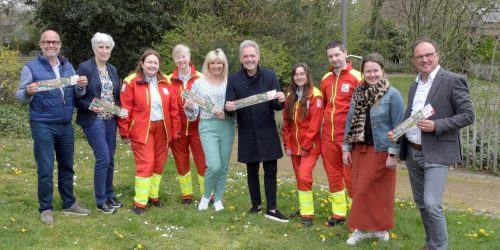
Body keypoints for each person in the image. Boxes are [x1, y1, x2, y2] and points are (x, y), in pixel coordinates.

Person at [389, 39, 474, 250]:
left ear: (437, 54)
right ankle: (430, 244)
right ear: (413, 60)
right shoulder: (415, 84)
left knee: (432, 204)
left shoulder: (453, 80)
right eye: (419, 56)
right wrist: (398, 132)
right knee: (422, 204)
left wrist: (437, 126)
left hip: (437, 152)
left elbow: (468, 115)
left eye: (429, 54)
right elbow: (412, 115)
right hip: (413, 152)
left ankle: (439, 248)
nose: (424, 59)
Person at [16, 30, 90, 223]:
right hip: (43, 124)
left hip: (65, 124)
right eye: (47, 42)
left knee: (67, 166)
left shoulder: (68, 67)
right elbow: (20, 96)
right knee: (46, 168)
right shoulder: (30, 68)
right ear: (41, 44)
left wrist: (81, 85)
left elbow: (77, 93)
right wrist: (28, 92)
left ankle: (69, 203)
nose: (51, 45)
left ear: (59, 44)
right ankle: (46, 208)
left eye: (54, 42)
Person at [342, 53, 404, 245]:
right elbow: (350, 120)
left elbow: (399, 125)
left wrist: (393, 153)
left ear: (382, 71)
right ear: (363, 73)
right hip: (359, 148)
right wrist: (346, 147)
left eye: (375, 70)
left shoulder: (392, 94)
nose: (372, 74)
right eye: (368, 71)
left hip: (381, 150)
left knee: (377, 190)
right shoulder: (359, 93)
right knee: (359, 189)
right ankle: (368, 228)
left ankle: (375, 228)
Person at [225, 40, 289, 222]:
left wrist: (281, 99)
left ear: (258, 56)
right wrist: (228, 107)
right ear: (241, 58)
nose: (249, 59)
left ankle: (273, 208)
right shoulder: (233, 79)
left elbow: (277, 106)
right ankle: (256, 205)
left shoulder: (270, 76)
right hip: (247, 132)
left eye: (252, 55)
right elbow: (230, 108)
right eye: (246, 56)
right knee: (251, 171)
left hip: (267, 131)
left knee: (271, 171)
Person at [118, 49, 181, 215]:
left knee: (159, 163)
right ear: (142, 63)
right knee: (146, 163)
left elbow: (173, 108)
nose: (153, 65)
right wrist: (124, 130)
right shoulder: (130, 81)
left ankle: (153, 196)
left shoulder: (165, 81)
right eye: (149, 62)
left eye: (156, 62)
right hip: (141, 129)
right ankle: (140, 202)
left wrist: (175, 130)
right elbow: (125, 108)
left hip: (163, 129)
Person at [75, 32, 124, 214]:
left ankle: (110, 195)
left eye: (107, 47)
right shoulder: (85, 68)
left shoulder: (112, 69)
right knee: (103, 157)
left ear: (111, 50)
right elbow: (76, 97)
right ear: (94, 48)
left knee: (110, 159)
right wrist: (89, 106)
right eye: (100, 47)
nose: (104, 50)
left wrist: (119, 111)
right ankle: (101, 200)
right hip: (93, 120)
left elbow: (115, 97)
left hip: (110, 120)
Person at [184, 48, 234, 211]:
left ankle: (218, 198)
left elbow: (236, 106)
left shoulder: (231, 82)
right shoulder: (199, 83)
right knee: (214, 165)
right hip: (207, 126)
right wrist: (190, 107)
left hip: (227, 125)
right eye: (212, 63)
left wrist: (227, 112)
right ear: (208, 64)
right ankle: (206, 197)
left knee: (224, 166)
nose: (216, 66)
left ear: (224, 64)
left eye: (219, 63)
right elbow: (193, 112)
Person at [319, 40, 362, 226]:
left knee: (351, 177)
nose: (334, 59)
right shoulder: (326, 78)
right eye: (330, 56)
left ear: (345, 53)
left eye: (337, 54)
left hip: (349, 138)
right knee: (333, 175)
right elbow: (324, 104)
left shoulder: (357, 77)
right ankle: (338, 213)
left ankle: (356, 215)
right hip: (328, 137)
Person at [282, 63, 323, 226]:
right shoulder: (290, 95)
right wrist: (287, 144)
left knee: (305, 177)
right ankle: (304, 207)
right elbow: (286, 123)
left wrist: (305, 145)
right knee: (300, 178)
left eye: (302, 74)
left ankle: (307, 215)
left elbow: (315, 125)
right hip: (294, 146)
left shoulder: (316, 95)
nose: (299, 77)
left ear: (307, 75)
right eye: (296, 74)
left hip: (310, 147)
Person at [168, 44, 207, 205]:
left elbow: (209, 103)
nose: (181, 59)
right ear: (174, 59)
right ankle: (187, 195)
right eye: (178, 56)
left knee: (203, 161)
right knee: (181, 161)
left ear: (189, 57)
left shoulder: (201, 78)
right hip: (178, 129)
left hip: (199, 128)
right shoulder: (168, 80)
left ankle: (208, 194)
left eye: (184, 56)